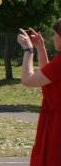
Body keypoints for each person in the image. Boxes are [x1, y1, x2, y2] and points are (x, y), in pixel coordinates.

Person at [17, 23, 61, 165]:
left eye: (55, 34)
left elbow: (27, 80)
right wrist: (40, 48)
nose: (53, 38)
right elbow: (47, 78)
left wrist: (28, 51)